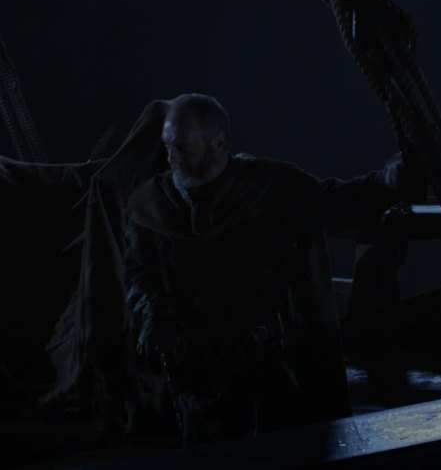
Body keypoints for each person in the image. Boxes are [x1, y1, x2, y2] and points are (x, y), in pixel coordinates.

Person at [125, 93, 424, 444]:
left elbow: (335, 201)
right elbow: (137, 272)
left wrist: (391, 180)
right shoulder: (152, 204)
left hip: (262, 370)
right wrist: (155, 316)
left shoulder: (266, 186)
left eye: (181, 146)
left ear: (219, 143)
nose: (171, 156)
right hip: (187, 376)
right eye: (167, 146)